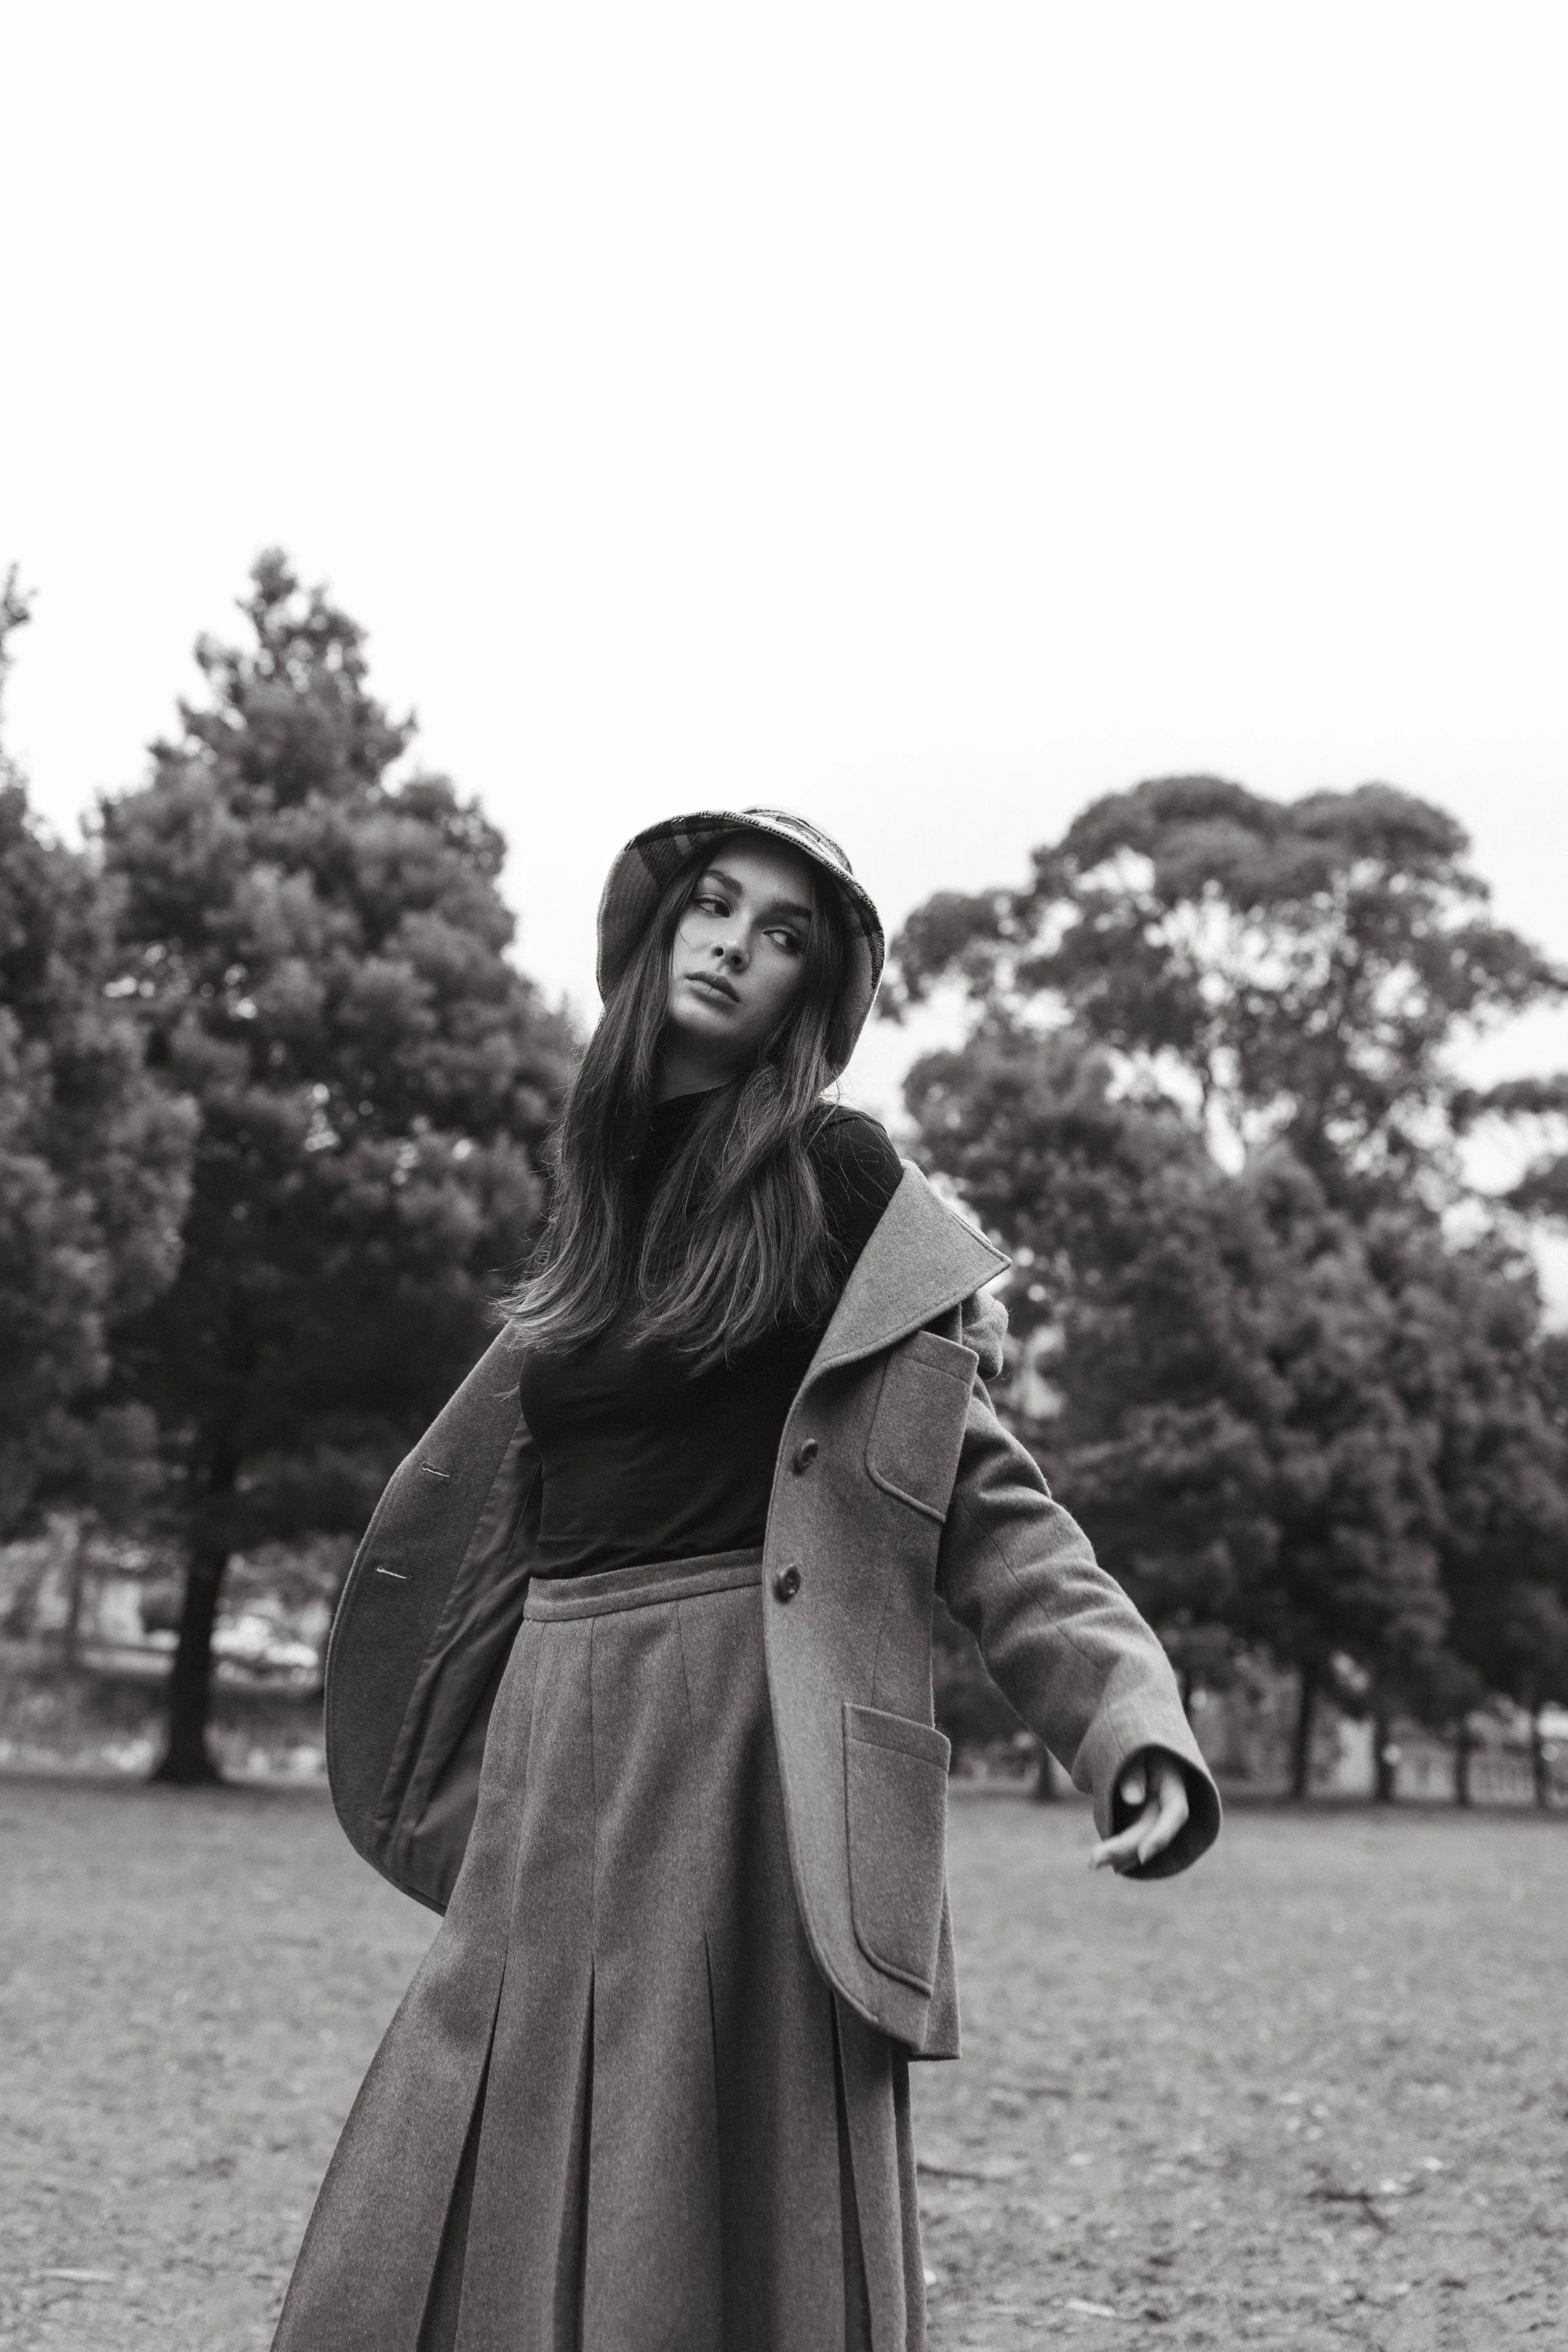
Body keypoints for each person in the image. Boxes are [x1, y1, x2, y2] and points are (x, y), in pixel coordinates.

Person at [272, 807, 1221, 2352]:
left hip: (746, 1750)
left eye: (782, 933)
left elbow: (978, 1489)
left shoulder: (832, 1179)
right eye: (713, 907)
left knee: (726, 2210)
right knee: (447, 2193)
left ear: (808, 997)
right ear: (656, 939)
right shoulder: (594, 1200)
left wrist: (1125, 1717)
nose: (732, 942)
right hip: (555, 1748)